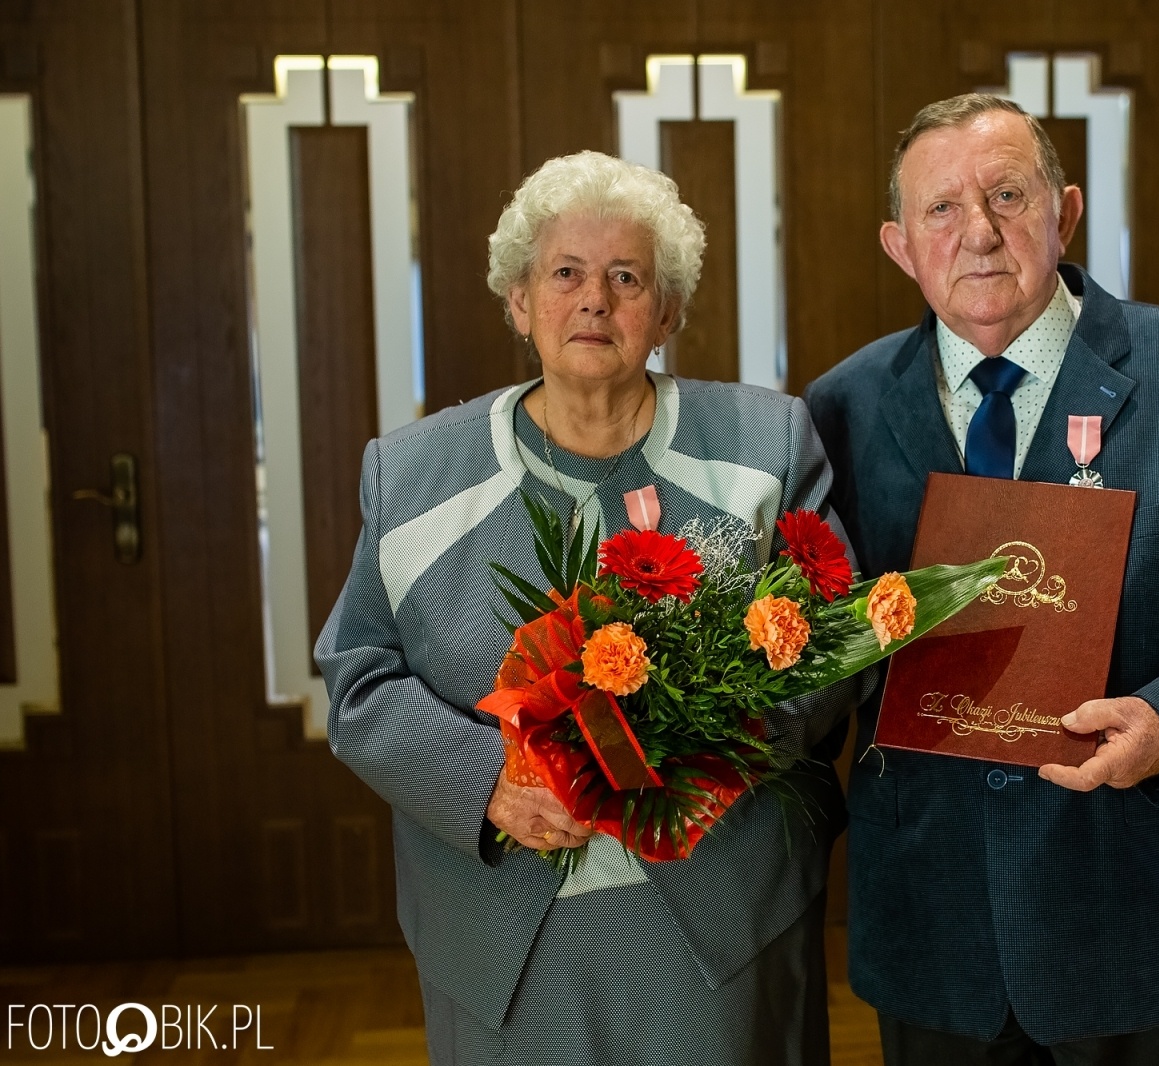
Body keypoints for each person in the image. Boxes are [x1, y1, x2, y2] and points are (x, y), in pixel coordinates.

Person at [804, 95, 1159, 1064]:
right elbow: (827, 638)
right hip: (937, 925)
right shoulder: (838, 408)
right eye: (943, 210)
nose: (981, 232)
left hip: (1143, 908)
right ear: (899, 245)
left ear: (1066, 211)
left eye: (1008, 195)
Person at [317, 150, 864, 1065]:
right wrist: (483, 781)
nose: (595, 301)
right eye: (565, 273)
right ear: (518, 301)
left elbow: (832, 641)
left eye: (627, 277)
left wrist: (703, 753)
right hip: (496, 931)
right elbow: (359, 680)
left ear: (669, 310)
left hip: (719, 916)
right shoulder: (410, 475)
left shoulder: (768, 444)